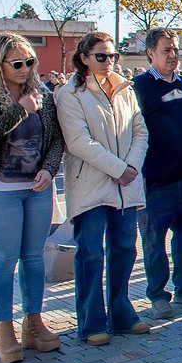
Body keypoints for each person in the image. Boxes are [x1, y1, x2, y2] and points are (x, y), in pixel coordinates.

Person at [0, 33, 64, 363]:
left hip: (36, 190)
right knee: (4, 258)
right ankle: (4, 328)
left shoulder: (42, 94)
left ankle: (33, 322)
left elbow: (56, 141)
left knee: (34, 257)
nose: (25, 69)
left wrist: (49, 170)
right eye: (17, 64)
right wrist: (18, 111)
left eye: (30, 62)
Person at [56, 32, 150, 345]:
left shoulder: (125, 88)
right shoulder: (70, 93)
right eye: (101, 56)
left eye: (113, 56)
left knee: (124, 249)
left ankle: (122, 313)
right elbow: (79, 142)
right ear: (83, 57)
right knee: (91, 255)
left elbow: (140, 131)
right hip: (91, 186)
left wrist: (132, 167)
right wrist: (118, 169)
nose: (109, 62)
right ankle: (91, 321)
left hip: (126, 185)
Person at [132, 28, 182, 320]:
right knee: (154, 242)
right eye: (166, 50)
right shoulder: (138, 86)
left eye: (175, 50)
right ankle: (157, 295)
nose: (173, 55)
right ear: (150, 53)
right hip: (155, 180)